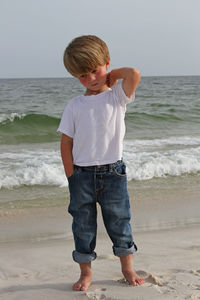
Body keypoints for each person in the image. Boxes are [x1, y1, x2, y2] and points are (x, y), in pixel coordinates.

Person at [57, 35, 145, 291]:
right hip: (81, 175)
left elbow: (134, 74)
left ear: (106, 63)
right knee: (82, 226)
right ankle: (86, 273)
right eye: (83, 75)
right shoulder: (75, 105)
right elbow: (66, 143)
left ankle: (127, 268)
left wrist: (111, 75)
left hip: (113, 173)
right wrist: (71, 176)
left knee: (120, 221)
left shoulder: (117, 96)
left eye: (95, 71)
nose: (91, 79)